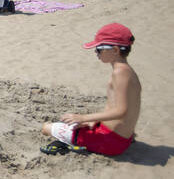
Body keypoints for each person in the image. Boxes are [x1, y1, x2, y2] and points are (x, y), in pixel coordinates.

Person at [40, 23, 140, 156]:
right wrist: (93, 121)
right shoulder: (129, 72)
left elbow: (121, 111)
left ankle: (73, 142)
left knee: (46, 128)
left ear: (115, 50)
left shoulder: (119, 73)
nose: (96, 53)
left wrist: (83, 117)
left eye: (99, 49)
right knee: (75, 126)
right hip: (122, 138)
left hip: (109, 141)